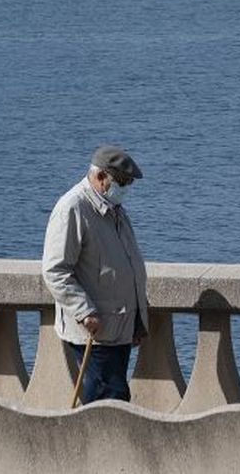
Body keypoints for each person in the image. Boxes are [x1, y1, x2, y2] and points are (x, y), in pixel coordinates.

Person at [42, 145, 149, 404]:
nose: (126, 189)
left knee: (111, 399)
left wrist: (138, 318)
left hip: (119, 326)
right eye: (122, 182)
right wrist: (84, 311)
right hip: (96, 330)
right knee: (109, 400)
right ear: (101, 177)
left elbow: (125, 265)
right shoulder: (73, 208)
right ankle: (88, 444)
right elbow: (55, 270)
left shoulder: (114, 209)